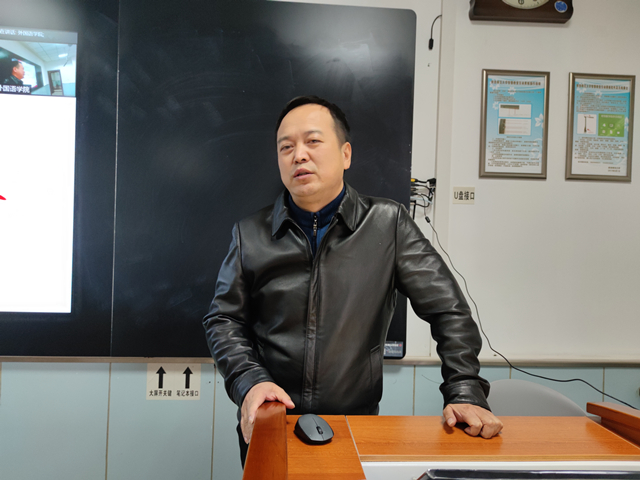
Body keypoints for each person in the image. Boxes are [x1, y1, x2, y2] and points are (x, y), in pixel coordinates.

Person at [203, 95, 502, 464]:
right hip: (270, 420)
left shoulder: (388, 224)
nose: (299, 155)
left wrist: (464, 389)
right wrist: (250, 382)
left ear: (345, 154)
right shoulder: (250, 234)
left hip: (353, 425)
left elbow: (448, 310)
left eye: (313, 141)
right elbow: (223, 320)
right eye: (286, 147)